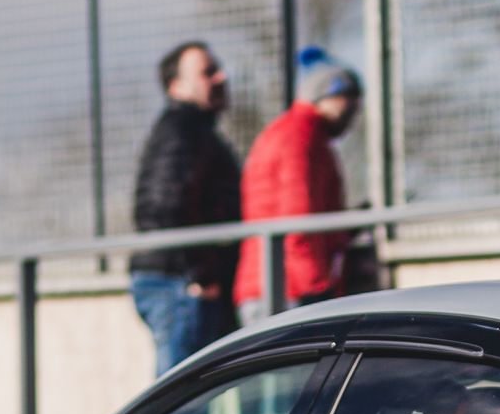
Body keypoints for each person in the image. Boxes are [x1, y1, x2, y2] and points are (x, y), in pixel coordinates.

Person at [129, 41, 241, 374]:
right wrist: (198, 273)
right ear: (176, 86)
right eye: (207, 72)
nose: (221, 77)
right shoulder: (182, 130)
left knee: (189, 411)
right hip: (177, 283)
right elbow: (160, 207)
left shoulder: (194, 130)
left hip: (179, 282)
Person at [236, 46, 363, 313]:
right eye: (350, 101)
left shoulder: (300, 133)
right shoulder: (300, 137)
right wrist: (317, 290)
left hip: (278, 286)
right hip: (285, 291)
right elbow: (297, 223)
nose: (354, 113)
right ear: (330, 95)